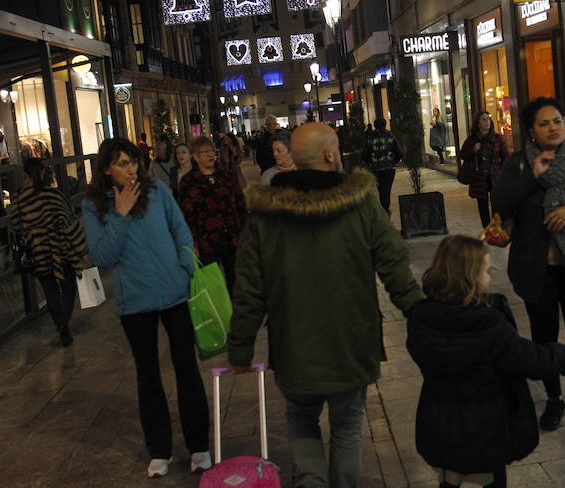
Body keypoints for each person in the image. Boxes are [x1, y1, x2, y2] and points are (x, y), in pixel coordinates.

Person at [227, 122, 424, 488]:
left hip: (293, 347)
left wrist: (239, 347)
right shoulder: (362, 203)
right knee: (347, 427)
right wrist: (421, 313)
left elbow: (249, 289)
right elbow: (394, 267)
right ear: (331, 155)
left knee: (301, 421)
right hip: (352, 343)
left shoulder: (265, 216)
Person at [407, 235, 565, 488]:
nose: (489, 278)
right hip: (485, 430)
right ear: (470, 276)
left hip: (439, 423)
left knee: (449, 477)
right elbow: (530, 359)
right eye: (485, 271)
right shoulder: (486, 324)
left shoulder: (420, 318)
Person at [82, 138, 211, 479]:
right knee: (148, 375)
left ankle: (199, 445)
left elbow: (180, 229)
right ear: (106, 169)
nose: (131, 169)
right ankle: (159, 450)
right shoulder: (94, 206)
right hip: (135, 302)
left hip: (175, 292)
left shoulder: (157, 191)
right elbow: (105, 257)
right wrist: (120, 215)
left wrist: (184, 264)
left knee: (186, 367)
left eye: (133, 161)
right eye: (122, 163)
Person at [491, 97, 565, 430]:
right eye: (544, 123)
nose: (553, 127)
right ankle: (554, 398)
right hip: (535, 268)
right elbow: (500, 201)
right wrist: (533, 174)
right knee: (544, 336)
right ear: (532, 131)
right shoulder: (519, 163)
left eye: (557, 120)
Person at [9, 158, 88, 347]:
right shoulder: (54, 196)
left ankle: (62, 328)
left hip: (39, 252)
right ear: (43, 172)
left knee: (50, 290)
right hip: (61, 249)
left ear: (25, 175)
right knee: (68, 287)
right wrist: (80, 248)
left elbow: (16, 226)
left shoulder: (20, 201)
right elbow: (69, 222)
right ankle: (63, 320)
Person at [179, 136, 246, 297]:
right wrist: (192, 242)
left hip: (231, 235)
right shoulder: (188, 182)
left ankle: (237, 314)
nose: (210, 155)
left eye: (211, 151)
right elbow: (188, 214)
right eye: (205, 152)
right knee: (212, 282)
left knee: (236, 280)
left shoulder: (226, 174)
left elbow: (239, 202)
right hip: (206, 240)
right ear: (195, 156)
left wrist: (244, 229)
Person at [459, 111, 510, 228]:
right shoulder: (472, 140)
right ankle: (487, 229)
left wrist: (502, 172)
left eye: (488, 118)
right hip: (479, 178)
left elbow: (506, 156)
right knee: (482, 206)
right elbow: (462, 155)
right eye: (483, 119)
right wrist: (473, 150)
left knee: (496, 204)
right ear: (477, 123)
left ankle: (496, 227)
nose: (487, 121)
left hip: (495, 177)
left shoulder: (497, 138)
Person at [362, 117, 402, 214]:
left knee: (381, 190)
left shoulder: (370, 137)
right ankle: (385, 209)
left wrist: (369, 163)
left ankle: (384, 209)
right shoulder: (390, 136)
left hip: (375, 168)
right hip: (389, 167)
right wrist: (393, 161)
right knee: (387, 189)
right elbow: (399, 152)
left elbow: (365, 154)